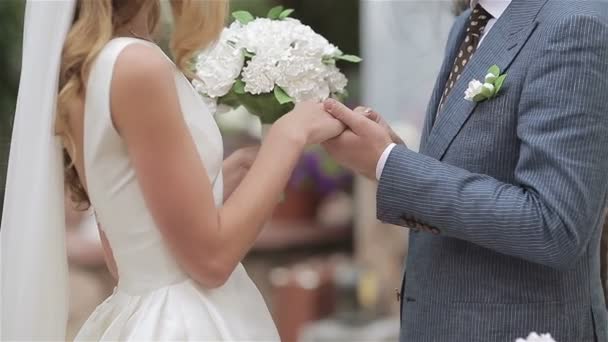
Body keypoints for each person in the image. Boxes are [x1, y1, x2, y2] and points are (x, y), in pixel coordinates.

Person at [0, 0, 344, 340]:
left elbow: (128, 251)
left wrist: (220, 179)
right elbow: (212, 260)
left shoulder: (87, 66)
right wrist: (288, 135)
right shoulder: (136, 66)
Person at [322, 0, 608, 341]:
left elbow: (555, 225)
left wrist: (390, 164)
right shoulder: (469, 24)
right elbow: (471, 170)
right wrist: (392, 154)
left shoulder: (575, 24)